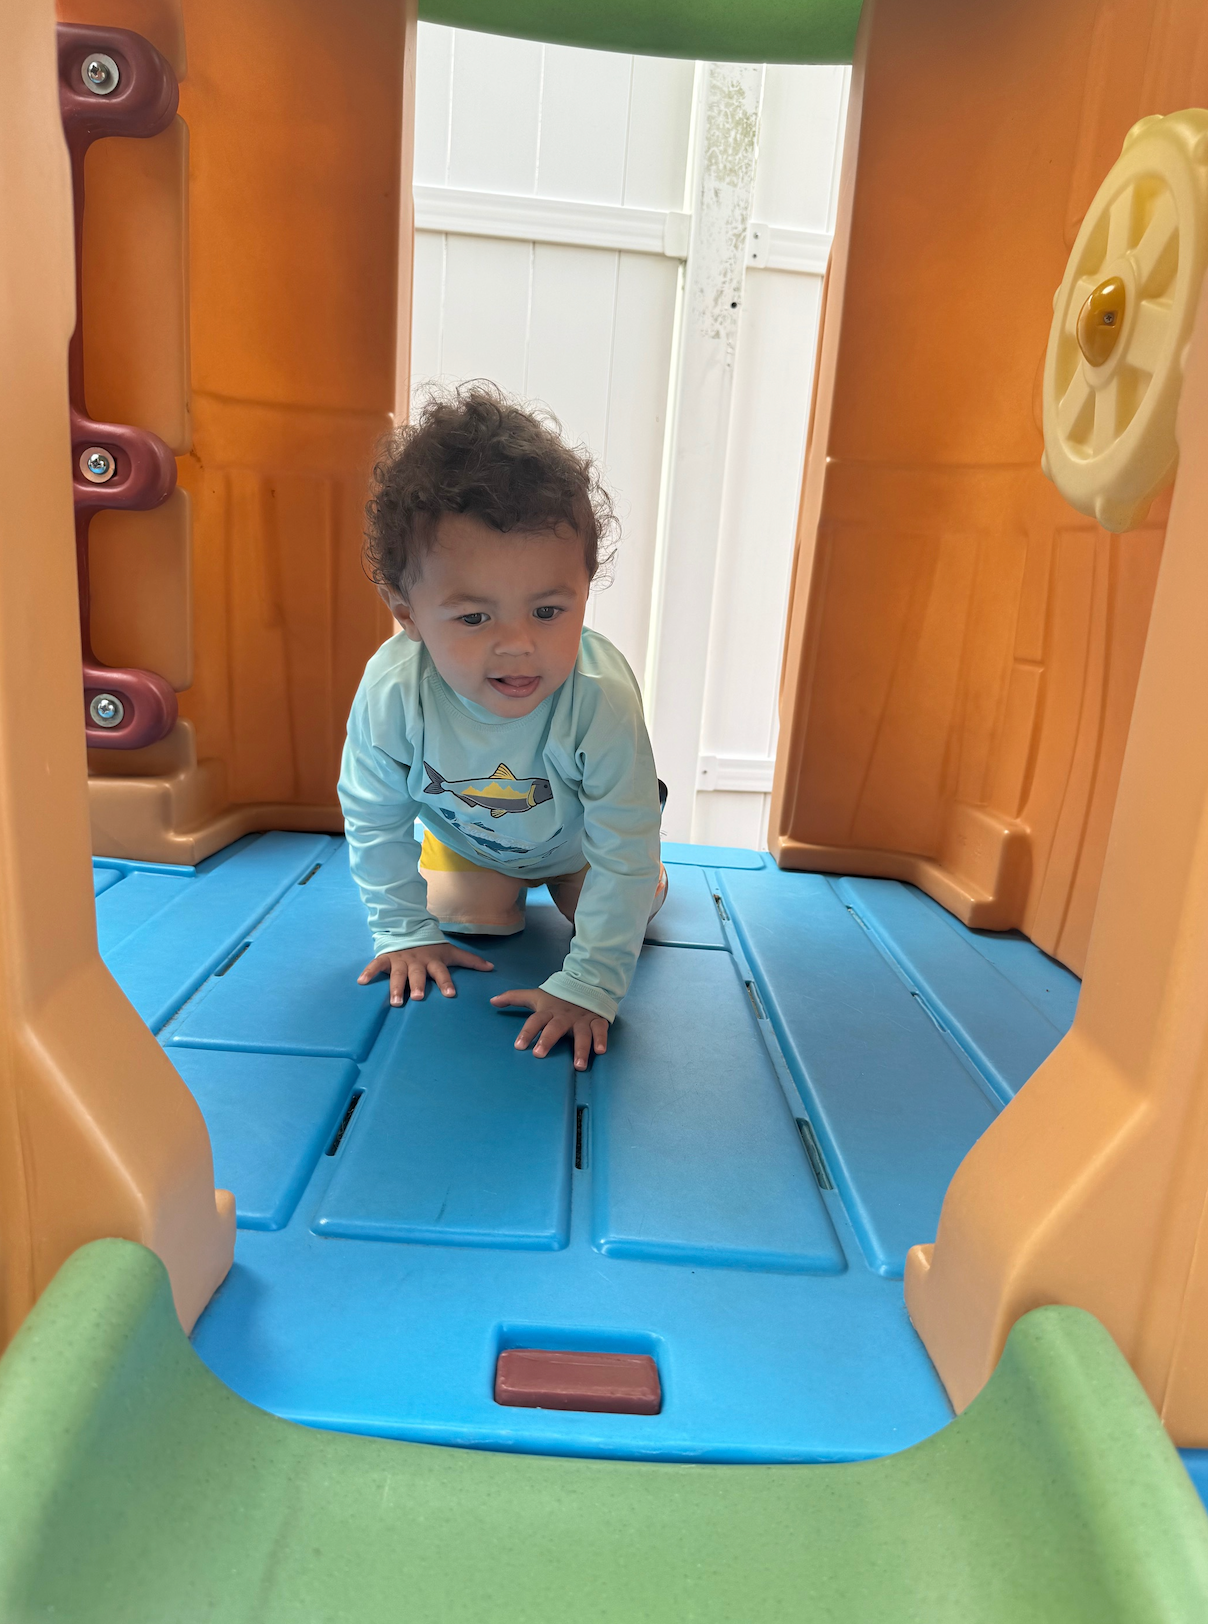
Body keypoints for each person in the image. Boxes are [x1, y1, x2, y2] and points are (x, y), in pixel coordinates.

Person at [338, 382, 668, 1072]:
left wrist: (590, 985)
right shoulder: (395, 691)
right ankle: (490, 885)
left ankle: (638, 889)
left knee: (614, 910)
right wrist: (401, 930)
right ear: (407, 614)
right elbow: (375, 816)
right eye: (473, 617)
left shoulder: (599, 698)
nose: (518, 644)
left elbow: (623, 849)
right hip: (474, 844)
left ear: (584, 591)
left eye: (549, 612)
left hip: (582, 849)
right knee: (472, 923)